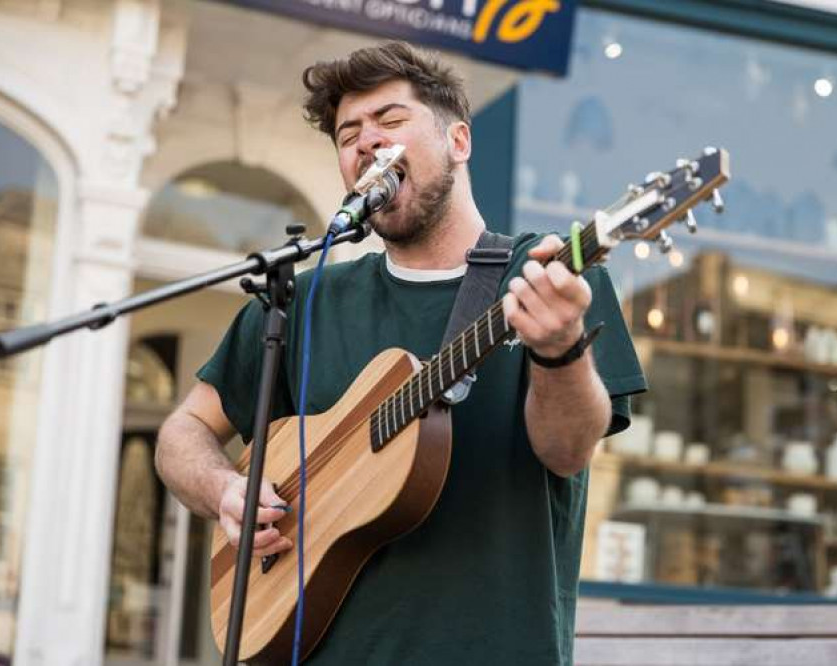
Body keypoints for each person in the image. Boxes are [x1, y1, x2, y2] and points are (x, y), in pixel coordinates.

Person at [155, 41, 646, 666]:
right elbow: (184, 431)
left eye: (390, 121)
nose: (366, 143)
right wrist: (225, 487)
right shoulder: (302, 301)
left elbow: (569, 450)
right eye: (347, 134)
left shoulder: (547, 279)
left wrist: (559, 351)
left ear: (459, 142)